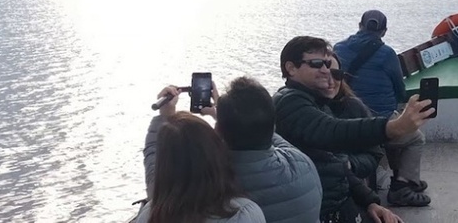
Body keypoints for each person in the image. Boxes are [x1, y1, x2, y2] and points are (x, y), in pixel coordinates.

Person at [273, 36, 435, 222]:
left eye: (328, 64)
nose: (326, 70)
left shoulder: (320, 103)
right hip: (318, 211)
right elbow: (332, 131)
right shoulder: (289, 102)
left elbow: (336, 165)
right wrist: (392, 128)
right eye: (317, 64)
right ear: (291, 68)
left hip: (338, 204)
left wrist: (370, 202)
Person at [334, 11, 429, 203]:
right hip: (377, 126)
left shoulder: (338, 49)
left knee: (394, 126)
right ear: (384, 32)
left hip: (344, 123)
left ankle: (402, 178)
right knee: (415, 137)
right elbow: (400, 91)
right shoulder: (387, 54)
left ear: (359, 25)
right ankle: (402, 185)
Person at [136, 86, 266, 223]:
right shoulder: (244, 214)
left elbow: (152, 156)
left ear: (163, 166)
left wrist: (164, 115)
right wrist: (221, 116)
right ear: (216, 153)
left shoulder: (149, 215)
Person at [215, 76, 323, 223]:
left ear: (218, 131)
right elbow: (267, 130)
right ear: (273, 126)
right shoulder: (302, 164)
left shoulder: (214, 182)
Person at [320, 53, 410, 222]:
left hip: (354, 189)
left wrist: (350, 164)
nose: (330, 81)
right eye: (323, 74)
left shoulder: (354, 107)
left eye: (337, 74)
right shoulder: (304, 113)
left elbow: (374, 153)